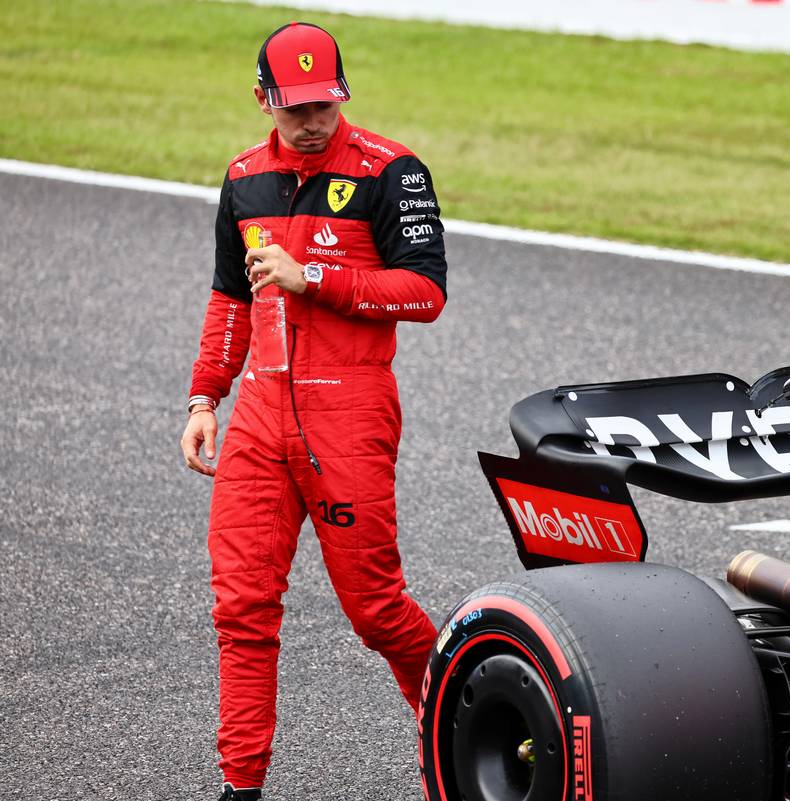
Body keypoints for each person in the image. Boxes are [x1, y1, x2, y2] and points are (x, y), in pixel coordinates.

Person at [179, 21, 446, 801]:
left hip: (350, 412)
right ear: (263, 98)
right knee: (241, 606)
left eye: (324, 103)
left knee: (376, 611)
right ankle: (241, 786)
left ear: (343, 94)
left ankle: (471, 736)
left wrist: (315, 276)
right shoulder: (242, 178)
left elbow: (425, 293)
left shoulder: (393, 172)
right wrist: (206, 395)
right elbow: (230, 295)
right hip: (261, 415)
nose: (311, 120)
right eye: (294, 106)